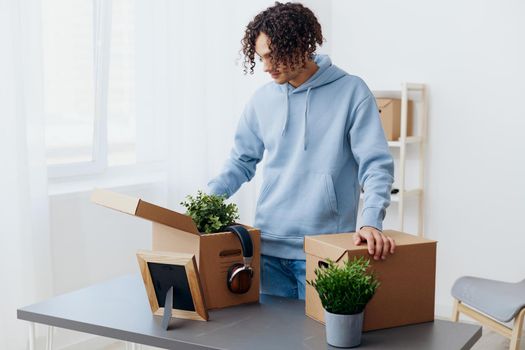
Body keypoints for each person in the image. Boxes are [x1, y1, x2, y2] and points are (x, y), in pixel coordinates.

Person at [207, 2, 395, 300]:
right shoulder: (262, 99)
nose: (267, 67)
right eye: (261, 58)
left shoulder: (351, 92)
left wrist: (371, 220)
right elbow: (241, 162)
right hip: (267, 246)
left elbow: (375, 165)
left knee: (319, 342)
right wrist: (206, 202)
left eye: (273, 56)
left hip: (325, 248)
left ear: (299, 45)